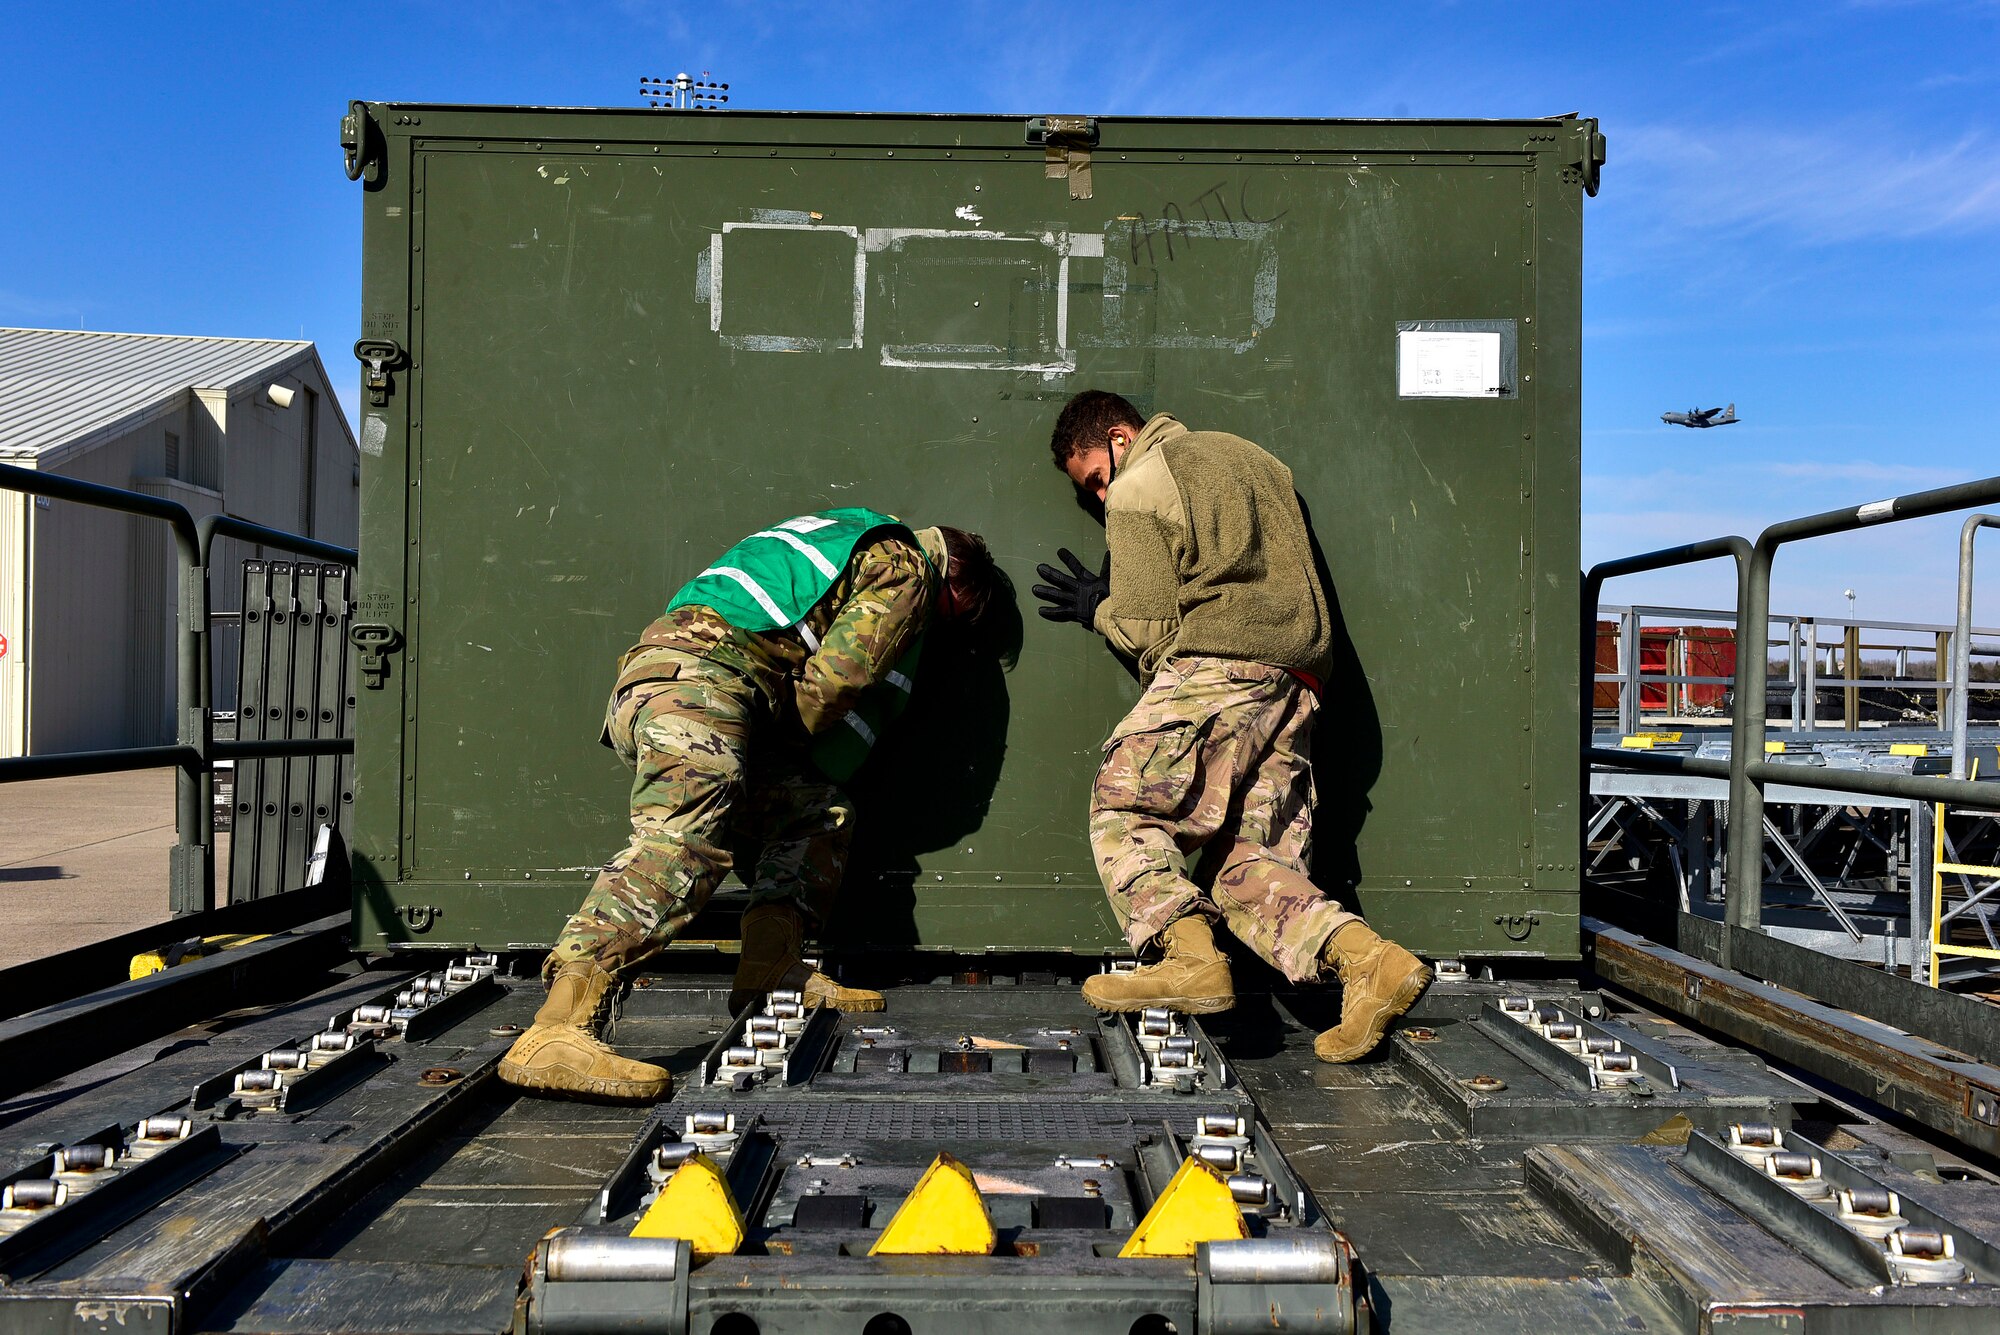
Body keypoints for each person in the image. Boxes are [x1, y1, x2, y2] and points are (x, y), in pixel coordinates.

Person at [501, 507, 1002, 1101]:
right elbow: (839, 680)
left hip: (671, 682)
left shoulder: (848, 534)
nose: (929, 629)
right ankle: (557, 1027)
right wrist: (795, 737)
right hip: (705, 688)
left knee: (815, 812)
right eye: (947, 617)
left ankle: (771, 967)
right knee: (683, 842)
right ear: (955, 580)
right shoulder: (908, 565)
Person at [1033, 391, 1429, 1063]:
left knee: (1126, 806)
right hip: (1299, 678)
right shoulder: (1254, 460)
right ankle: (1371, 962)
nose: (1100, 497)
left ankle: (1188, 957)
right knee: (1246, 862)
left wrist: (1101, 608)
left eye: (1096, 478)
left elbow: (1148, 630)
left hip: (1221, 661)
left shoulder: (1139, 486)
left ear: (1122, 439)